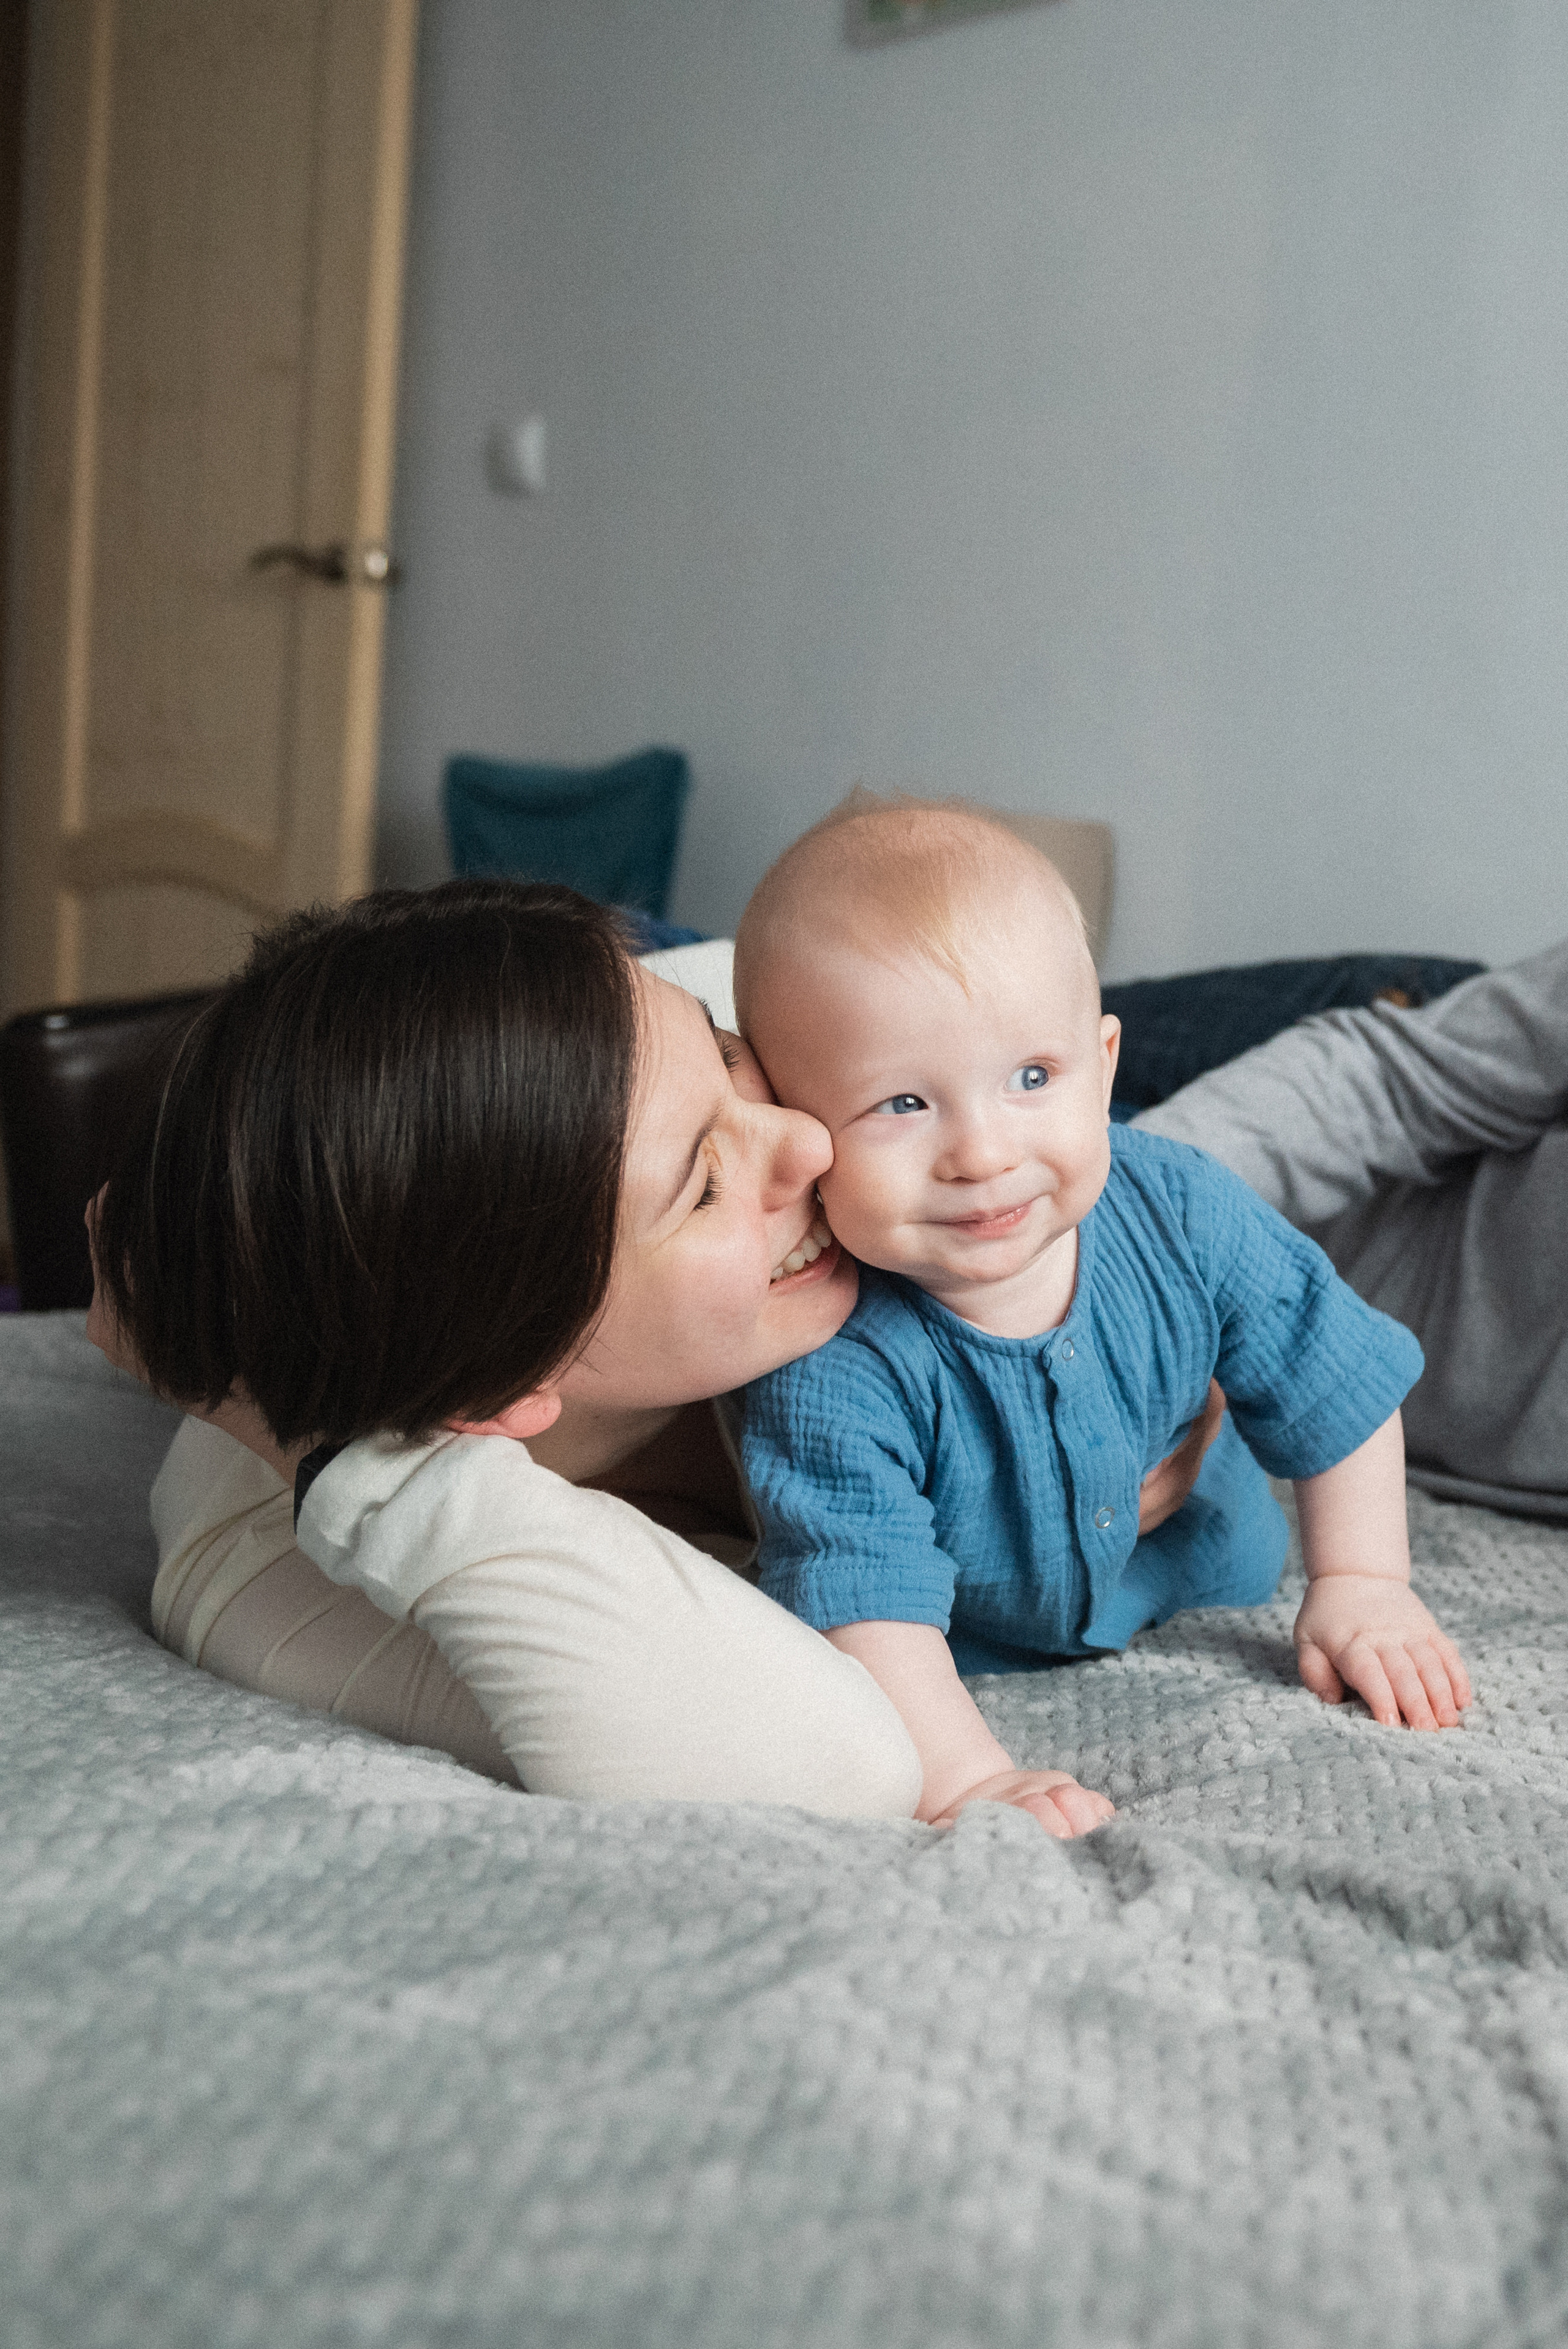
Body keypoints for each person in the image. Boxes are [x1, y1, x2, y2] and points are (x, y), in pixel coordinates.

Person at [91, 877, 1217, 1823]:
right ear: (498, 1395)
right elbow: (846, 1762)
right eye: (708, 1187)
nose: (813, 1140)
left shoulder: (764, 1034)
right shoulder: (253, 1567)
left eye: (732, 1066)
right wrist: (339, 1454)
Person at [731, 799, 1472, 1838]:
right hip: (977, 1646)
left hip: (1214, 1575)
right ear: (797, 1134)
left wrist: (1363, 1582)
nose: (983, 1153)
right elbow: (865, 1601)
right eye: (903, 1105)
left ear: (1107, 1062)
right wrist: (966, 1779)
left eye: (1033, 1077)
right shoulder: (829, 1355)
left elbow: (1334, 1377)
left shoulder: (1184, 1209)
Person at [1133, 938, 1568, 1523]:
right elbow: (1383, 1081)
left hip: (1264, 1334)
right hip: (1333, 1097)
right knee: (997, 1000)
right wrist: (1127, 1226)